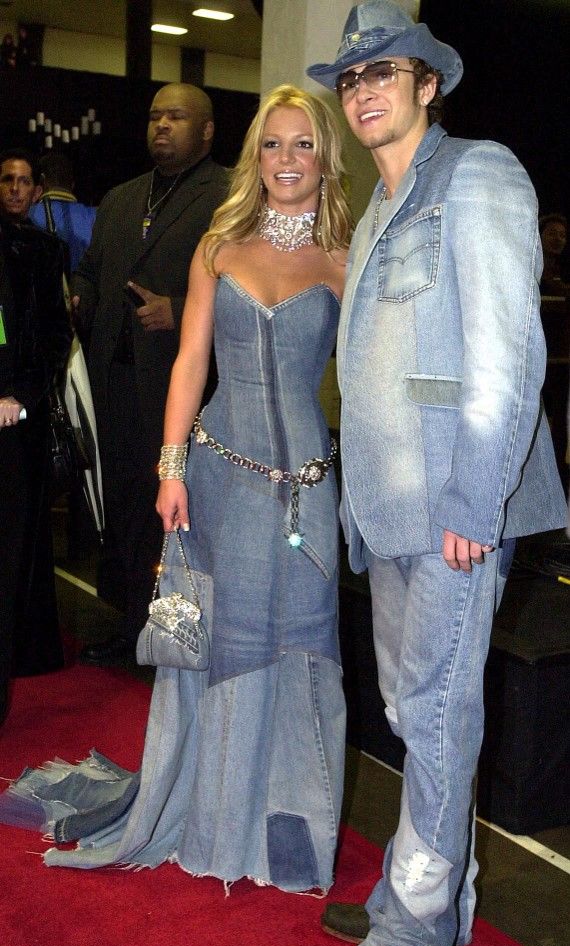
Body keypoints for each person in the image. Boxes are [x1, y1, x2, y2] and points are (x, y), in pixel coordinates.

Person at [1, 85, 352, 894]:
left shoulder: (345, 255)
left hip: (303, 485)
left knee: (298, 645)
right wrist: (169, 468)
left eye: (303, 145)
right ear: (253, 155)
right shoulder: (219, 244)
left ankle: (288, 825)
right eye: (273, 144)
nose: (288, 160)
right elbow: (191, 362)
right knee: (214, 641)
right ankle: (211, 809)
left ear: (325, 157)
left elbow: (367, 378)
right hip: (218, 471)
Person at [306, 0, 568, 946]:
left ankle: (411, 932)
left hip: (457, 508)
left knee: (441, 714)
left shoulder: (480, 176)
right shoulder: (376, 207)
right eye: (352, 77)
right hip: (388, 511)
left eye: (387, 71)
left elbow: (509, 354)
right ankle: (427, 895)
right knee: (417, 710)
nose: (365, 88)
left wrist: (475, 496)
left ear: (428, 84)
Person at [74, 83, 228, 665]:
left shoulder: (229, 195)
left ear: (207, 130)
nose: (161, 124)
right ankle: (128, 623)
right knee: (120, 504)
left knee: (163, 512)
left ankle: (164, 633)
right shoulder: (121, 197)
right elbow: (92, 271)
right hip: (110, 377)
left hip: (177, 383)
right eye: (155, 115)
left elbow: (249, 285)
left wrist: (183, 305)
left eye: (176, 116)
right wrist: (76, 295)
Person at [0, 149, 72, 724]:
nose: (17, 189)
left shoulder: (49, 252)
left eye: (26, 182)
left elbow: (56, 333)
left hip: (22, 422)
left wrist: (23, 396)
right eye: (7, 179)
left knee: (19, 543)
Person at [29, 153, 97, 274]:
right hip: (84, 291)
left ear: (41, 183)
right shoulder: (98, 216)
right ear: (72, 184)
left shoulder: (25, 215)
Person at [539, 213, 570, 297]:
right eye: (552, 234)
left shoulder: (565, 271)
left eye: (562, 235)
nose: (558, 239)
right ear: (539, 237)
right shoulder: (528, 269)